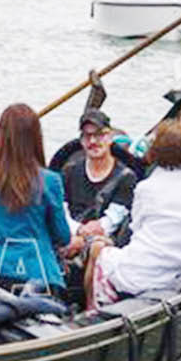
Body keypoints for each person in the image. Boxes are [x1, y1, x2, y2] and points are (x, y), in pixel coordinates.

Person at [85, 121, 181, 309]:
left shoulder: (146, 188)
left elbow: (136, 228)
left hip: (140, 273)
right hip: (180, 269)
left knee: (97, 249)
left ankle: (90, 309)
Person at [0, 104, 71, 296]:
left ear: (0, 136)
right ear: (36, 138)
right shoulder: (50, 181)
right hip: (35, 272)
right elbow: (63, 236)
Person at [60, 109, 138, 258]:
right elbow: (61, 209)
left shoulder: (126, 177)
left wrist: (83, 240)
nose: (93, 142)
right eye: (88, 136)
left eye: (99, 135)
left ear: (109, 138)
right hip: (71, 231)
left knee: (98, 247)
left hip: (105, 241)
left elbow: (113, 220)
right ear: (82, 141)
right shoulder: (69, 171)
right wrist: (77, 230)